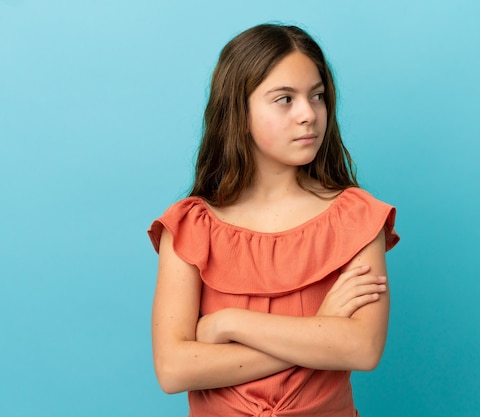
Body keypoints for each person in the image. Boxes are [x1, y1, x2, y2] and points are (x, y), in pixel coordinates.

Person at [148, 23, 399, 417]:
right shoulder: (190, 226)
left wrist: (229, 324)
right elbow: (173, 369)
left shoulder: (356, 216)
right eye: (285, 99)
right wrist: (320, 329)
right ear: (238, 110)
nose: (309, 114)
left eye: (317, 96)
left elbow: (361, 348)